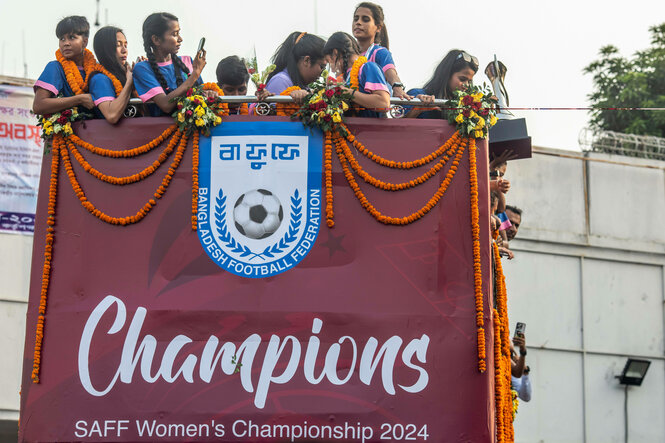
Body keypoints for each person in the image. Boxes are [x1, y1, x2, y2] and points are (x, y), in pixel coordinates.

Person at [133, 12, 206, 116]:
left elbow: (201, 94)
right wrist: (195, 75)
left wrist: (209, 93)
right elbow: (165, 105)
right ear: (156, 40)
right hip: (160, 131)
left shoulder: (187, 61)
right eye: (174, 34)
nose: (180, 39)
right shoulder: (142, 69)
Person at [33, 16, 95, 115]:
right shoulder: (55, 67)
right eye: (62, 39)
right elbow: (38, 106)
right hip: (67, 129)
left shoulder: (96, 70)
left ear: (85, 42)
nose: (66, 43)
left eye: (72, 37)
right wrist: (78, 99)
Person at [320, 31, 390, 118]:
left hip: (371, 129)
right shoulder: (347, 76)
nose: (330, 67)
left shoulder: (367, 68)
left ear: (335, 53)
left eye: (328, 61)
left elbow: (383, 103)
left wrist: (344, 91)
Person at [351, 2, 410, 99]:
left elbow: (391, 73)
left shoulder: (379, 52)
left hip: (372, 111)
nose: (358, 22)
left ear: (378, 27)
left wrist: (397, 87)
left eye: (365, 20)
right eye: (356, 19)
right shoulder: (349, 54)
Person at [405, 49, 479, 119]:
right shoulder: (417, 96)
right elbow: (396, 129)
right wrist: (417, 109)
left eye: (469, 81)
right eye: (462, 79)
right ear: (447, 75)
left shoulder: (466, 108)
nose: (467, 86)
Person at [88, 26, 136, 124]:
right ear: (105, 49)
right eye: (118, 45)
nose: (124, 50)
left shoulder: (125, 75)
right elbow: (111, 115)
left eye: (125, 45)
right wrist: (129, 83)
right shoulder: (100, 79)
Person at [260, 31, 326, 98]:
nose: (322, 72)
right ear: (306, 61)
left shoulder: (302, 84)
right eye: (322, 66)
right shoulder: (280, 81)